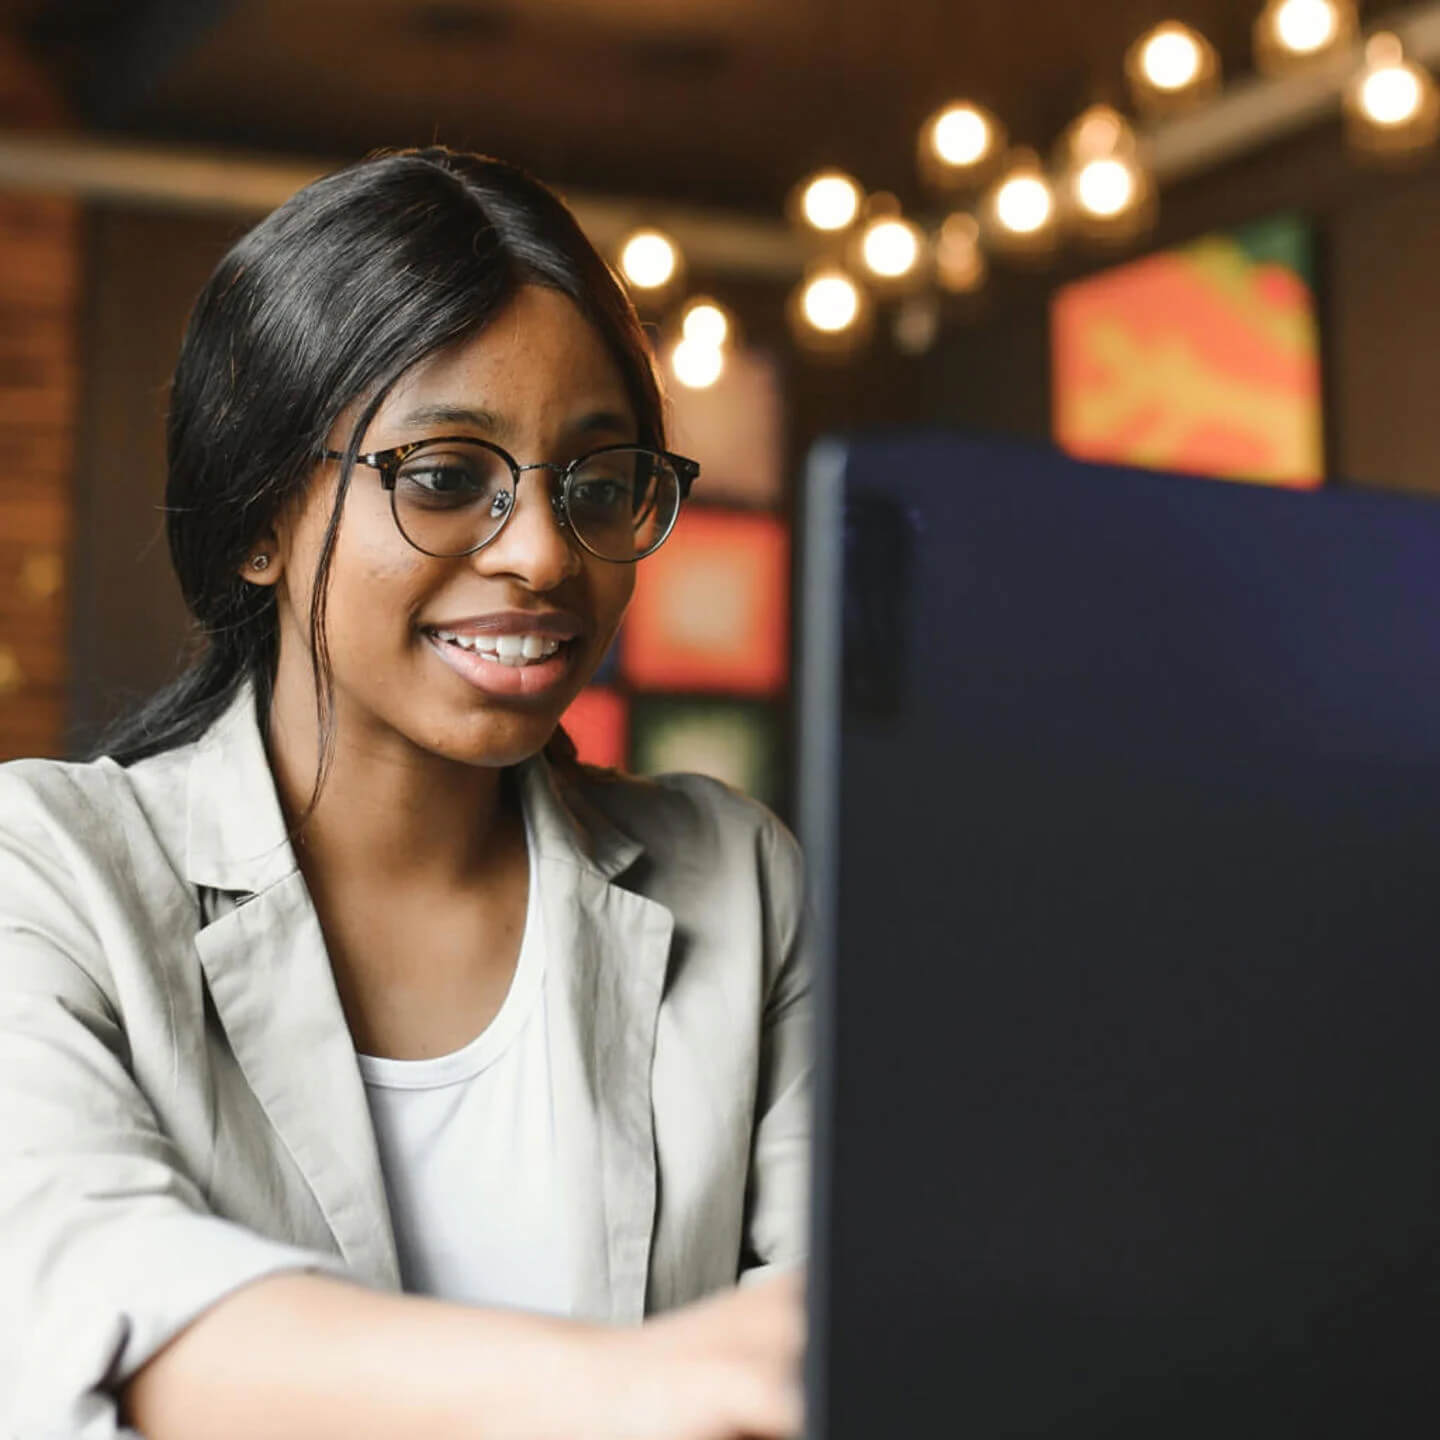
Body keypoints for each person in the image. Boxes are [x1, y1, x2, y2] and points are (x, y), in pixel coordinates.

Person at [0, 147, 810, 1440]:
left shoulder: (738, 877)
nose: (544, 553)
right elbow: (82, 1297)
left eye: (597, 485)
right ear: (258, 517)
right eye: (443, 478)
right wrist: (642, 1386)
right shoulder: (48, 871)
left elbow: (852, 1325)